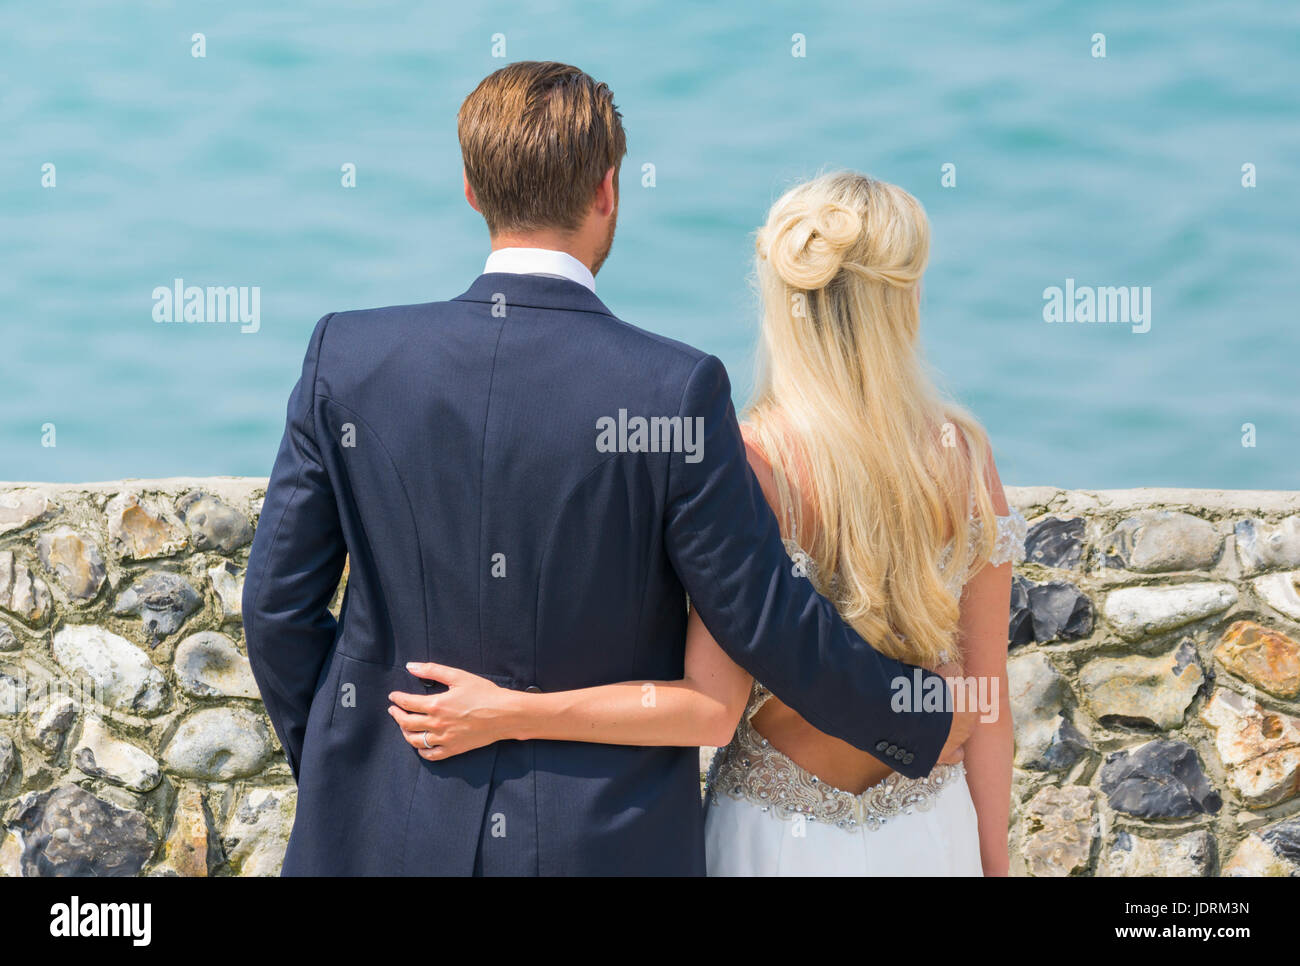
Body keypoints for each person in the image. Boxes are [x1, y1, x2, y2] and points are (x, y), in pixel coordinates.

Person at [243, 62, 970, 876]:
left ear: (472, 189)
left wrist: (352, 773)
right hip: (600, 845)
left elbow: (276, 609)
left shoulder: (348, 357)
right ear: (608, 191)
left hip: (383, 832)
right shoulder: (672, 390)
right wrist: (920, 717)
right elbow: (762, 617)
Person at [390, 172, 1025, 876]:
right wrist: (996, 866)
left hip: (776, 841)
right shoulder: (961, 454)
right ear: (903, 297)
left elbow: (707, 708)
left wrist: (511, 711)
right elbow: (986, 704)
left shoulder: (752, 461)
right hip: (931, 836)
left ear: (781, 299)